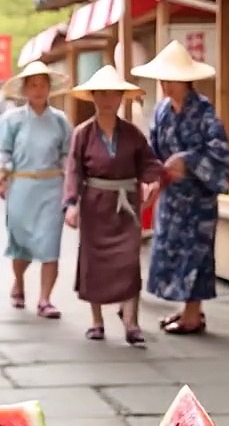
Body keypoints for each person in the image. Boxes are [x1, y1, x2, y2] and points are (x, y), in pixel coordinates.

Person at [132, 41, 229, 336]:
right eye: (162, 80)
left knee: (196, 255)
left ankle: (192, 315)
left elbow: (219, 153)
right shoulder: (163, 111)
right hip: (172, 198)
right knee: (170, 252)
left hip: (198, 199)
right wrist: (152, 179)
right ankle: (188, 310)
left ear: (186, 81)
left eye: (170, 80)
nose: (165, 86)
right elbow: (153, 150)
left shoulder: (204, 113)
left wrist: (187, 161)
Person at [63, 66, 165, 344]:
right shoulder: (82, 134)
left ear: (121, 97)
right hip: (95, 205)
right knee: (93, 262)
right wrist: (71, 204)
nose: (108, 99)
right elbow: (73, 170)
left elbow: (149, 163)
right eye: (103, 93)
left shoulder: (132, 134)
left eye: (114, 94)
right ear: (94, 96)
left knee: (129, 261)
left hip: (126, 206)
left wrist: (151, 181)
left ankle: (131, 322)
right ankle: (96, 321)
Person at [0, 61, 72, 319]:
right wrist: (1, 176)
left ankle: (45, 299)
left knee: (50, 244)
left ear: (50, 88)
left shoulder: (60, 121)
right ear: (25, 89)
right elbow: (4, 152)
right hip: (22, 186)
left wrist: (72, 187)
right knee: (21, 242)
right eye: (33, 85)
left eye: (42, 84)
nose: (38, 90)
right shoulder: (11, 120)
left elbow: (66, 156)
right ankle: (18, 280)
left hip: (52, 187)